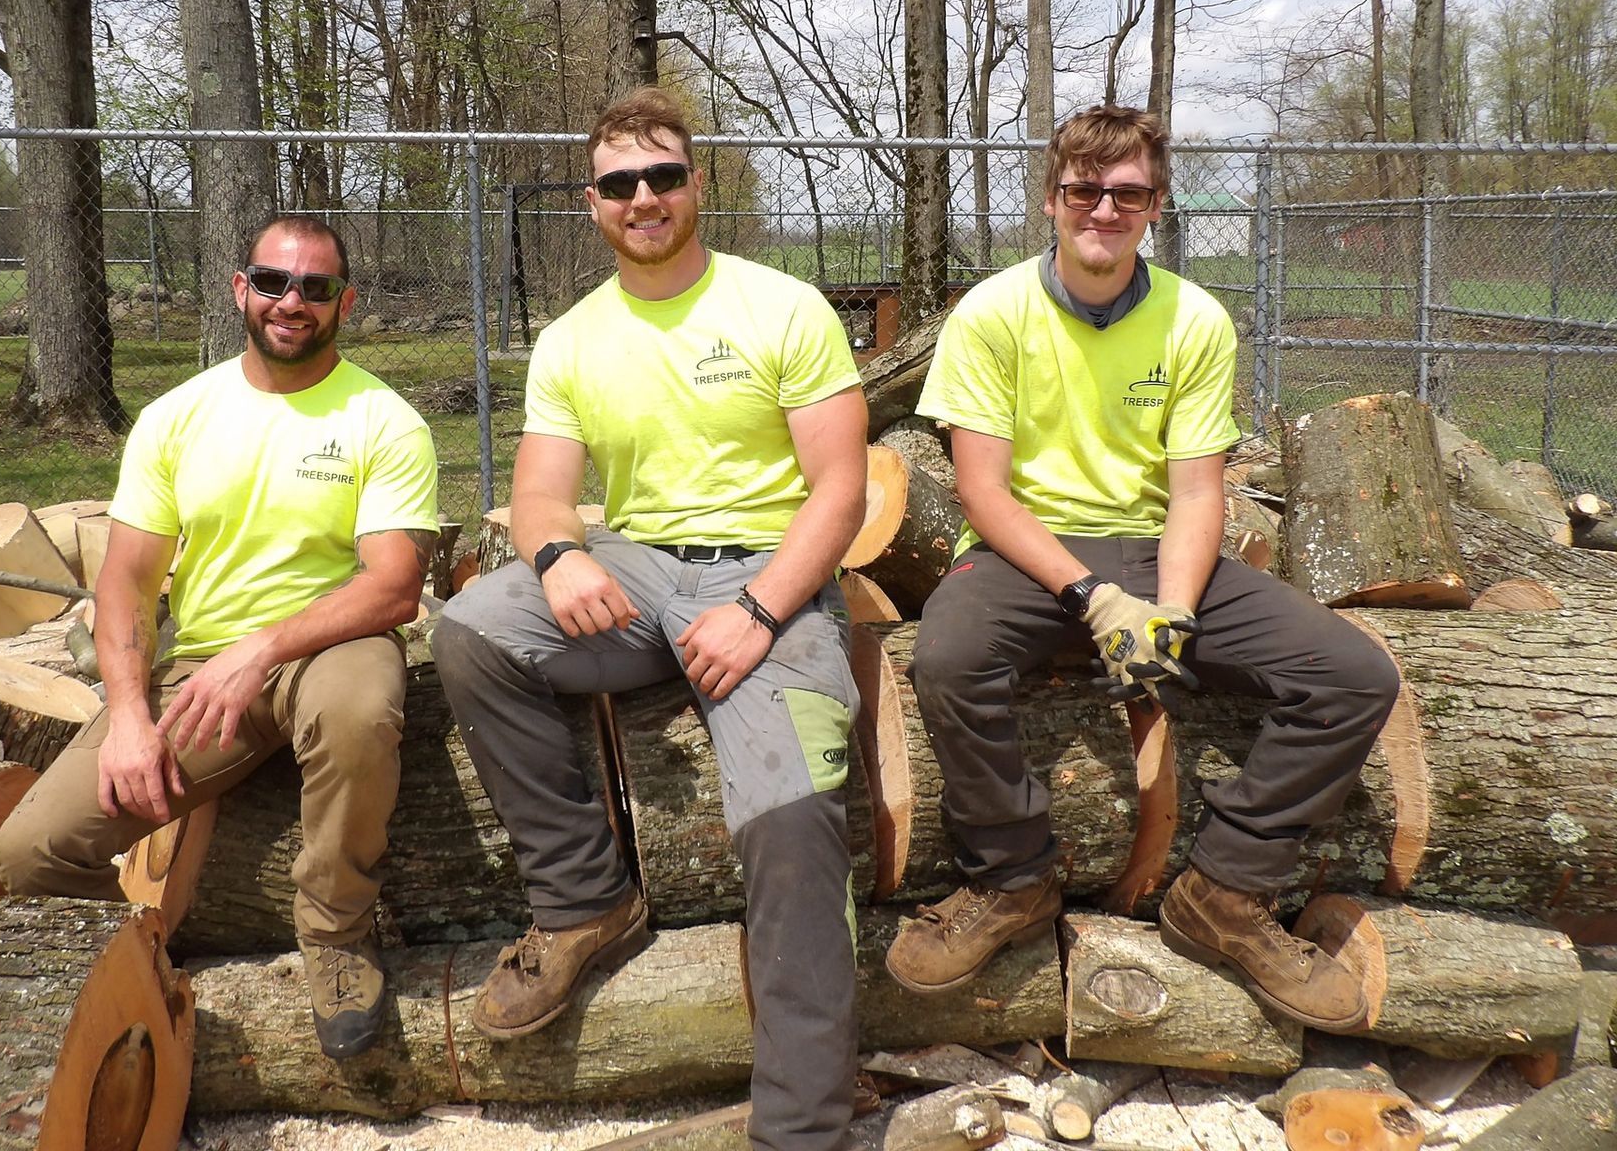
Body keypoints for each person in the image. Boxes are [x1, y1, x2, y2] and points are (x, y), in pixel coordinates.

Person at [884, 105, 1399, 1032]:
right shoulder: (993, 314)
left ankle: (1226, 896)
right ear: (1052, 200)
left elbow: (1199, 494)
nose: (1105, 210)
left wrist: (1168, 609)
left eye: (1128, 193)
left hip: (1154, 544)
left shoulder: (1194, 319)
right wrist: (1094, 598)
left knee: (1355, 677)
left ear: (1156, 205)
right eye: (1085, 190)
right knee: (947, 658)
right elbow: (985, 495)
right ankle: (1010, 881)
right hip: (1022, 550)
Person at [432, 87, 868, 1151]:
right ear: (592, 203)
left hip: (773, 573)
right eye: (620, 182)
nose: (644, 197)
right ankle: (586, 901)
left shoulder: (780, 306)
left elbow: (842, 489)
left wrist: (761, 610)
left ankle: (803, 1130)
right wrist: (558, 552)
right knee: (474, 630)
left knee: (795, 826)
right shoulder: (575, 339)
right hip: (637, 569)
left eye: (663, 175)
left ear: (696, 186)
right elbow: (539, 491)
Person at [0, 213, 439, 1060]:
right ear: (242, 289)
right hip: (199, 668)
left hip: (328, 649)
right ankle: (131, 973)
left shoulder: (385, 420)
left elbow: (392, 585)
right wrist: (128, 717)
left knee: (358, 712)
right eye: (273, 281)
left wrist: (260, 651)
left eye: (315, 287)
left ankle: (339, 938)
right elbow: (124, 581)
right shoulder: (176, 417)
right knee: (32, 849)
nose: (291, 302)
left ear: (342, 302)